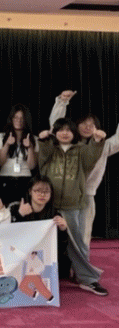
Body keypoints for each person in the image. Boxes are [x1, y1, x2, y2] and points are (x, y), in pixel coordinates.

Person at [38, 118, 107, 295]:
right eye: (60, 129)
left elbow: (92, 157)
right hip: (48, 204)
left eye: (68, 130)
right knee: (41, 242)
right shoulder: (50, 149)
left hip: (73, 205)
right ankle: (37, 277)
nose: (65, 133)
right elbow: (42, 156)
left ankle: (87, 279)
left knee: (77, 244)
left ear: (74, 133)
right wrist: (44, 140)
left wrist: (96, 141)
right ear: (55, 132)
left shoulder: (81, 150)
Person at [10, 175, 104, 295]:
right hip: (21, 257)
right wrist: (19, 215)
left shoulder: (54, 214)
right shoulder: (17, 208)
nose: (42, 194)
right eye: (38, 190)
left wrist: (63, 229)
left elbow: (61, 246)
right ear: (30, 191)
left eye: (46, 191)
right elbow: (9, 235)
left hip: (41, 259)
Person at [48, 89, 119, 247]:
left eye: (92, 125)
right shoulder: (67, 142)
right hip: (64, 195)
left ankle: (81, 262)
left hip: (86, 196)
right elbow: (56, 126)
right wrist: (62, 102)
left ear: (97, 128)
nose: (87, 127)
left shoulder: (103, 145)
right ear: (76, 125)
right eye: (84, 124)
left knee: (83, 235)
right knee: (59, 234)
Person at [0, 104, 38, 205]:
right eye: (16, 117)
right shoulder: (0, 137)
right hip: (4, 179)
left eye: (22, 118)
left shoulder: (34, 139)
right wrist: (7, 144)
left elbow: (31, 166)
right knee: (4, 210)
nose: (19, 120)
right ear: (11, 119)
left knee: (24, 211)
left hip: (25, 180)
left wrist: (30, 147)